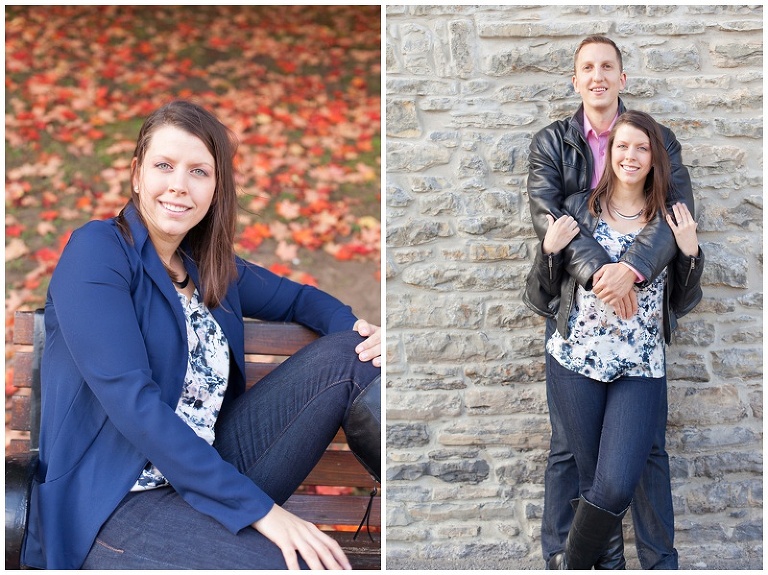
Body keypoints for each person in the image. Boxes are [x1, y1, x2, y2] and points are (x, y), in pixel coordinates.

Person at [21, 100, 382, 570]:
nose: (178, 185)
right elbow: (134, 402)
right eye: (164, 166)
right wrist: (263, 512)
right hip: (115, 502)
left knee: (351, 355)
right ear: (136, 174)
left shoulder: (208, 267)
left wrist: (365, 335)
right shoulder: (98, 252)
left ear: (216, 188)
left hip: (210, 476)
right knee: (289, 565)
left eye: (198, 171)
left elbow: (302, 301)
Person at [526, 36, 695, 569]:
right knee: (572, 459)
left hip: (640, 352)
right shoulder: (554, 144)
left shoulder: (658, 138)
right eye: (587, 68)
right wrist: (604, 274)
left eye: (607, 67)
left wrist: (634, 270)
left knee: (639, 464)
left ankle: (654, 562)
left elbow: (678, 217)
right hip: (579, 335)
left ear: (623, 78)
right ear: (575, 79)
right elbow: (552, 220)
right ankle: (576, 562)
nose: (597, 76)